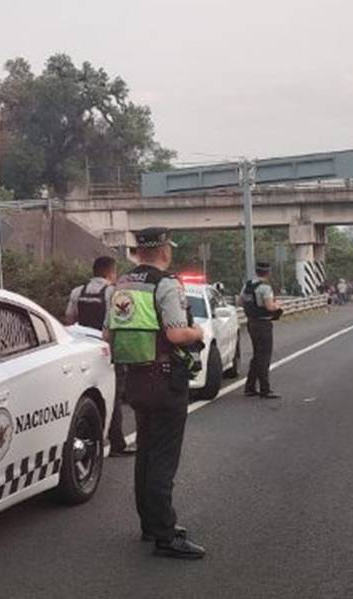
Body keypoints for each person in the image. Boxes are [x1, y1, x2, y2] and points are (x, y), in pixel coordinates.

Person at [105, 227, 206, 559]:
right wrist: (198, 330)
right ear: (163, 250)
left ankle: (150, 524)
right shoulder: (166, 284)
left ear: (138, 252)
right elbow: (177, 335)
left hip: (135, 378)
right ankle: (165, 536)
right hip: (165, 380)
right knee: (163, 458)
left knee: (146, 454)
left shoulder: (120, 285)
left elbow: (108, 334)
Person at [66, 256, 136, 457]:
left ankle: (84, 440)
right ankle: (117, 444)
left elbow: (70, 318)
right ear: (111, 273)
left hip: (82, 350)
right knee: (112, 397)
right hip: (107, 351)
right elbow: (116, 323)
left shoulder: (77, 292)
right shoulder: (113, 293)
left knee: (85, 396)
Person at [240, 261, 284, 399]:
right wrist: (277, 305)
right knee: (264, 356)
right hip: (263, 323)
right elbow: (269, 307)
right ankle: (265, 389)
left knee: (257, 356)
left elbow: (240, 302)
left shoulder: (247, 285)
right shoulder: (265, 288)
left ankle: (250, 387)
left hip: (251, 322)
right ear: (268, 272)